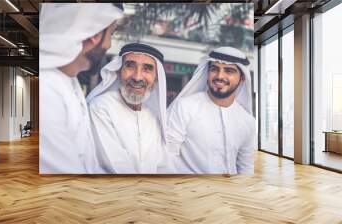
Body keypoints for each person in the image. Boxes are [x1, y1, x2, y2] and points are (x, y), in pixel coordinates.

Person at [39, 3, 123, 174]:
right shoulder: (46, 90)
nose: (109, 44)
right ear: (95, 35)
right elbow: (65, 176)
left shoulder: (70, 81)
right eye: (111, 34)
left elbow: (87, 162)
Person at [167, 46, 256, 174]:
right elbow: (167, 156)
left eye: (229, 71)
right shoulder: (184, 107)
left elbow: (246, 167)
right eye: (214, 69)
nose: (220, 76)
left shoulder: (248, 121)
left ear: (241, 78)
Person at [87, 43, 174, 174]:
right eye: (130, 66)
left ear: (156, 78)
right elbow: (115, 166)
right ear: (118, 71)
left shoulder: (152, 118)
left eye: (147, 69)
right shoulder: (101, 107)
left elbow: (163, 166)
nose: (137, 77)